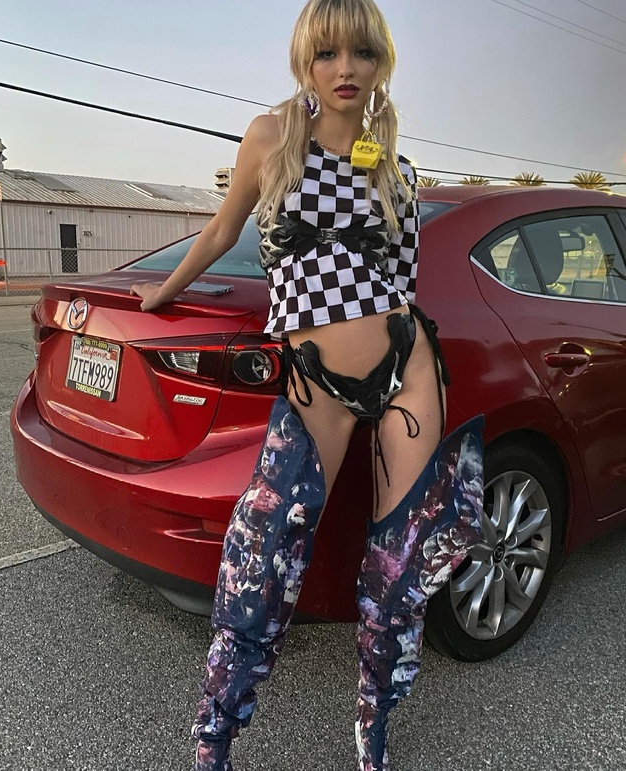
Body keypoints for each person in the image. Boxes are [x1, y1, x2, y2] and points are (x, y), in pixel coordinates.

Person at [131, 1, 484, 769]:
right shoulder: (272, 137)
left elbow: (402, 280)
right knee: (262, 553)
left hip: (406, 367)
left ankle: (374, 718)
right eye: (328, 53)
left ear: (381, 61)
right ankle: (214, 735)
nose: (345, 69)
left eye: (362, 53)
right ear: (305, 61)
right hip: (316, 379)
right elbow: (222, 230)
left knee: (399, 564)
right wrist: (162, 292)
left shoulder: (395, 167)